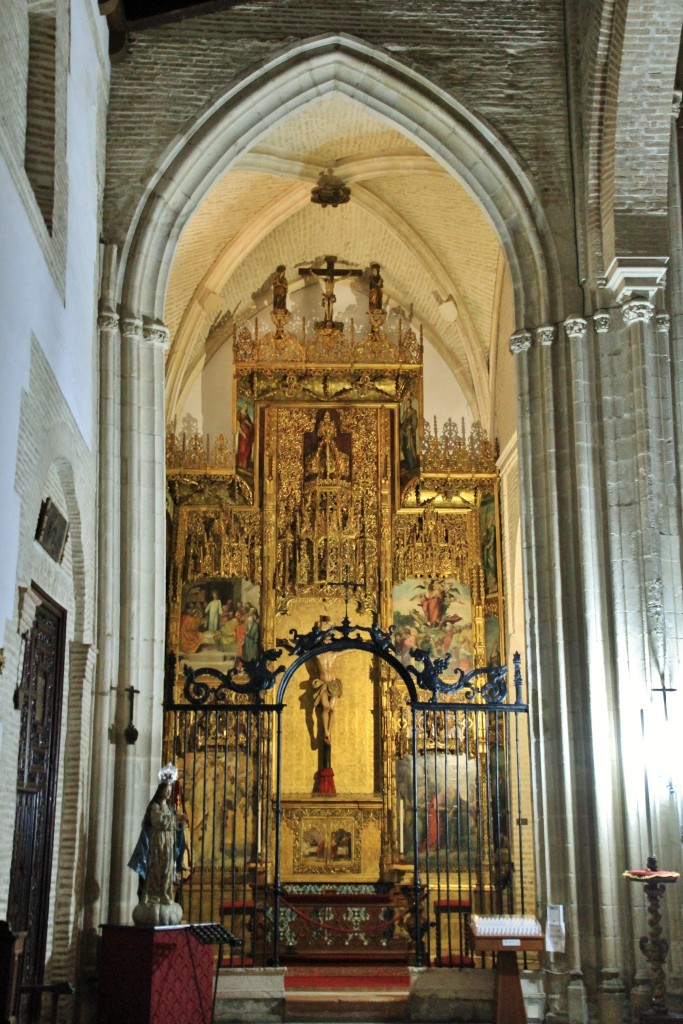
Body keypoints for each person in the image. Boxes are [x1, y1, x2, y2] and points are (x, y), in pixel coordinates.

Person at [129, 765, 188, 926]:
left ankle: (165, 894)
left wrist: (179, 823)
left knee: (167, 870)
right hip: (157, 845)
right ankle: (154, 895)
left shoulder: (168, 809)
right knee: (156, 870)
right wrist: (175, 819)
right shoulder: (154, 807)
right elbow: (159, 821)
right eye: (166, 790)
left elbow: (172, 825)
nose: (168, 793)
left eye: (170, 790)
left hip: (168, 845)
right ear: (160, 790)